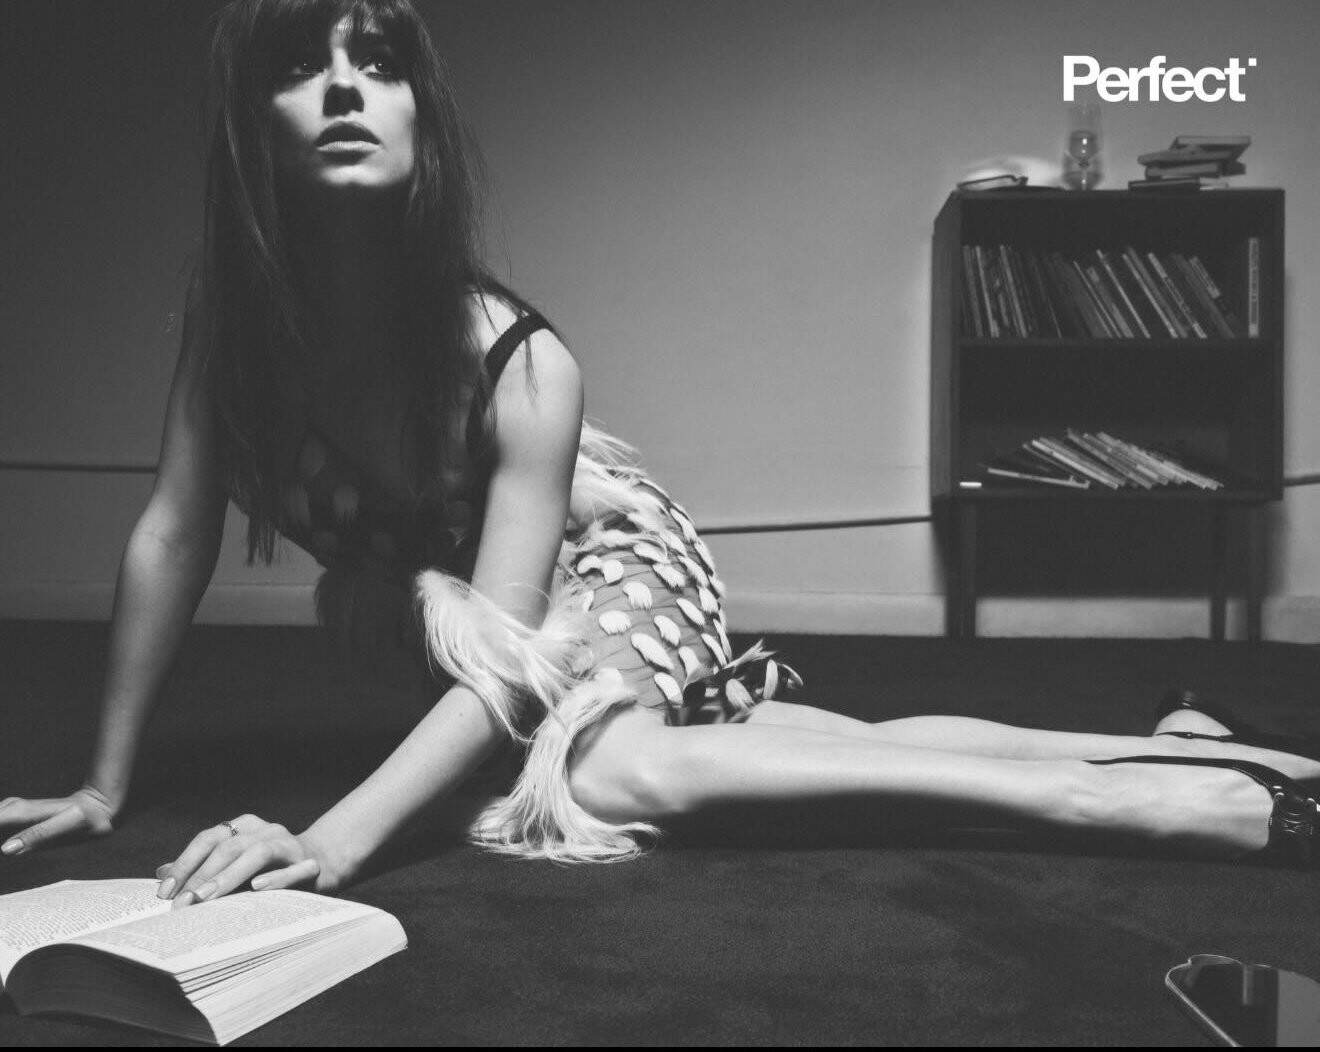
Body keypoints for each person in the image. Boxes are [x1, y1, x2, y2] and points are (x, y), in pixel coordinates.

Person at [3, 0, 1319, 903]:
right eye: (302, 63)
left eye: (380, 61)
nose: (346, 85)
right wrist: (105, 785)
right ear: (251, 123)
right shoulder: (233, 329)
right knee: (788, 740)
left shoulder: (519, 362)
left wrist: (330, 840)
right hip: (471, 618)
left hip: (604, 564)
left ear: (422, 123)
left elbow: (508, 658)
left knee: (611, 767)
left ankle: (1141, 802)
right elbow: (173, 532)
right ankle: (1191, 744)